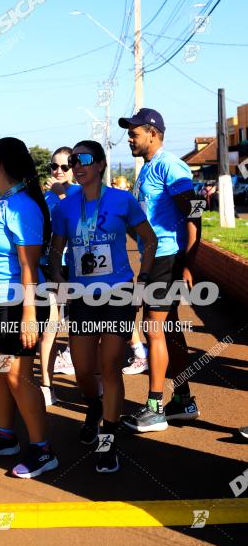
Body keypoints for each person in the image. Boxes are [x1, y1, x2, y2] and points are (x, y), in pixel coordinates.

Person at [50, 140, 157, 472]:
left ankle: (108, 441)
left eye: (83, 160)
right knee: (84, 370)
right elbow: (55, 252)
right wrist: (59, 284)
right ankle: (94, 406)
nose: (76, 165)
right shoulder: (65, 208)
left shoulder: (122, 200)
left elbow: (149, 240)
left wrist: (143, 283)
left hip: (118, 294)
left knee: (109, 366)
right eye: (72, 161)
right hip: (82, 297)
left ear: (99, 164)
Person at [0, 137, 59, 479]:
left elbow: (27, 265)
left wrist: (29, 315)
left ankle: (42, 449)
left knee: (18, 376)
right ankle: (5, 437)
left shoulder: (22, 205)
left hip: (18, 301)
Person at [118, 108, 201, 432]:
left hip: (168, 257)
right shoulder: (147, 170)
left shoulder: (170, 166)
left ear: (153, 133)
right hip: (154, 259)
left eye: (134, 132)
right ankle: (182, 399)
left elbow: (194, 216)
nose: (129, 138)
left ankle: (154, 408)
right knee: (168, 330)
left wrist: (190, 263)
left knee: (154, 330)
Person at [39, 146, 80, 406]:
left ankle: (91, 386)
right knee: (50, 329)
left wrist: (61, 193)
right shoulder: (46, 197)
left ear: (74, 169)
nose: (58, 171)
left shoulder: (79, 193)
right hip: (49, 267)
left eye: (64, 167)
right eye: (54, 166)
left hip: (76, 270)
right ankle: (46, 384)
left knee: (79, 331)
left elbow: (80, 223)